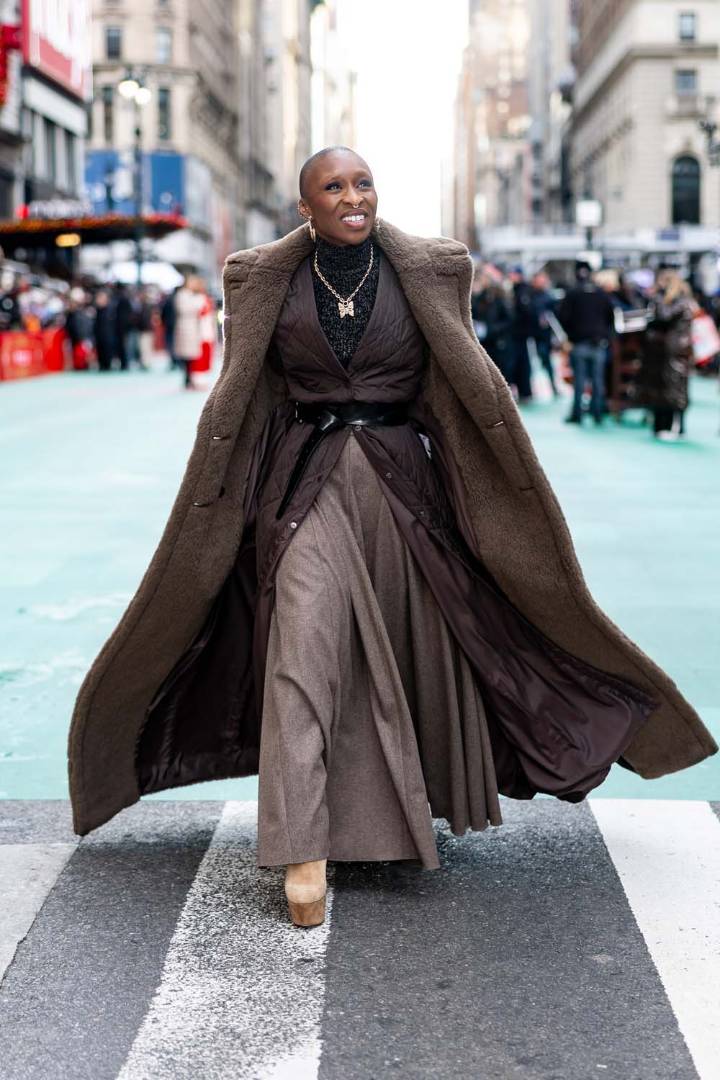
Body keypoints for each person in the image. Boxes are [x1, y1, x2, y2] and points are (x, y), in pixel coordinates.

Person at [68, 147, 716, 930]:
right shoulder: (261, 277)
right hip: (302, 486)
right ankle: (301, 847)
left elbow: (455, 388)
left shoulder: (432, 269)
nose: (353, 197)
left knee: (410, 651)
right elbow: (250, 396)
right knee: (300, 653)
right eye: (333, 187)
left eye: (363, 182)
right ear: (305, 207)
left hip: (404, 488)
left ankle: (396, 813)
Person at [638, 270, 694, 440]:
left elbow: (664, 316)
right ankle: (667, 425)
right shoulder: (682, 300)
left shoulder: (678, 301)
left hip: (673, 351)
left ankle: (674, 427)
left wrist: (656, 299)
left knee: (674, 388)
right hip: (668, 351)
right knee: (666, 388)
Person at [558, 261, 616, 425]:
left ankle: (577, 414)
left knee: (579, 381)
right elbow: (611, 318)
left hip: (579, 342)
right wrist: (605, 335)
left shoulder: (572, 293)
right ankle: (597, 414)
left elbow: (563, 317)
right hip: (598, 343)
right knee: (598, 380)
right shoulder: (601, 294)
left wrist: (571, 334)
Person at [471, 269, 513, 381]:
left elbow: (508, 320)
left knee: (501, 371)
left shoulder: (499, 298)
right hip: (484, 340)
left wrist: (492, 329)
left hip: (498, 341)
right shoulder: (478, 298)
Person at [530, 270, 559, 398]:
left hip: (545, 335)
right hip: (531, 334)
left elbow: (555, 313)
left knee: (546, 360)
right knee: (533, 362)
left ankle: (553, 386)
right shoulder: (530, 296)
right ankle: (533, 387)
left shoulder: (548, 296)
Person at [173, 274, 205, 389]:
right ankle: (187, 379)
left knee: (191, 355)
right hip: (186, 326)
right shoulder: (182, 295)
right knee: (187, 355)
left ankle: (189, 378)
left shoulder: (190, 295)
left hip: (191, 326)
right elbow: (186, 309)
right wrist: (196, 304)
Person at [508, 267, 534, 402]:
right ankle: (523, 391)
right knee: (519, 363)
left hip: (519, 334)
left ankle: (524, 392)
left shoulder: (522, 291)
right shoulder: (518, 290)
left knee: (520, 363)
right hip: (519, 334)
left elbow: (525, 312)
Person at [92, 290, 116, 372]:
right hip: (99, 335)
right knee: (100, 350)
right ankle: (102, 365)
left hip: (107, 335)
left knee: (107, 351)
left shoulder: (110, 310)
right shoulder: (97, 311)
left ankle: (107, 365)